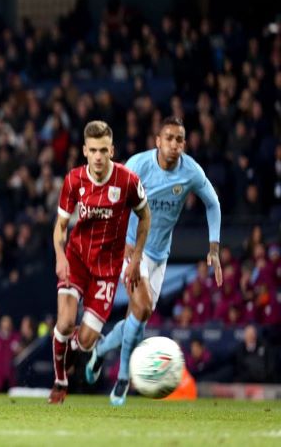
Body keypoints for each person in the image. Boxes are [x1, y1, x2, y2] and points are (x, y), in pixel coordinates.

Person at [86, 117, 221, 405]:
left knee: (138, 317)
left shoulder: (191, 171)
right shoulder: (138, 166)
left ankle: (100, 349)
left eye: (180, 139)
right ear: (157, 141)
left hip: (160, 254)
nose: (174, 145)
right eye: (169, 138)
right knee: (143, 307)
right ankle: (123, 378)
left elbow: (213, 202)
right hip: (131, 247)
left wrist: (214, 247)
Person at [50, 120, 150, 404]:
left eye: (103, 150)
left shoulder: (127, 181)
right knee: (66, 321)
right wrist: (60, 256)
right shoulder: (73, 180)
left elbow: (146, 217)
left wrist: (137, 256)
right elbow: (60, 225)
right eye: (93, 150)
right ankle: (60, 381)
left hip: (107, 270)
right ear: (84, 150)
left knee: (85, 341)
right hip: (77, 260)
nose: (98, 156)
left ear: (112, 150)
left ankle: (76, 349)